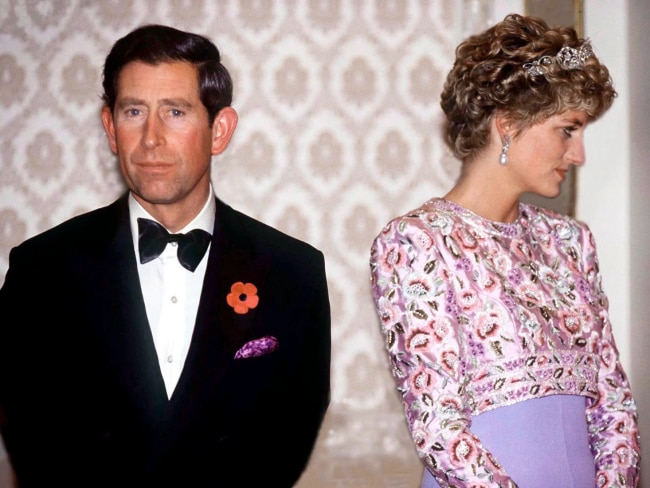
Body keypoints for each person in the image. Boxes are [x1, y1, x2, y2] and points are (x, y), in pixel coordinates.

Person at [0, 24, 331, 487]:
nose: (151, 137)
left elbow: (291, 431)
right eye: (134, 111)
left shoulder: (294, 272)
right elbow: (28, 431)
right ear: (110, 127)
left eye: (175, 112)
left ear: (219, 130)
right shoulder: (41, 269)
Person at [369, 13, 640, 488]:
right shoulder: (416, 242)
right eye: (567, 130)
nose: (578, 155)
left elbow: (613, 404)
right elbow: (438, 428)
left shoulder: (572, 242)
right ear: (509, 125)